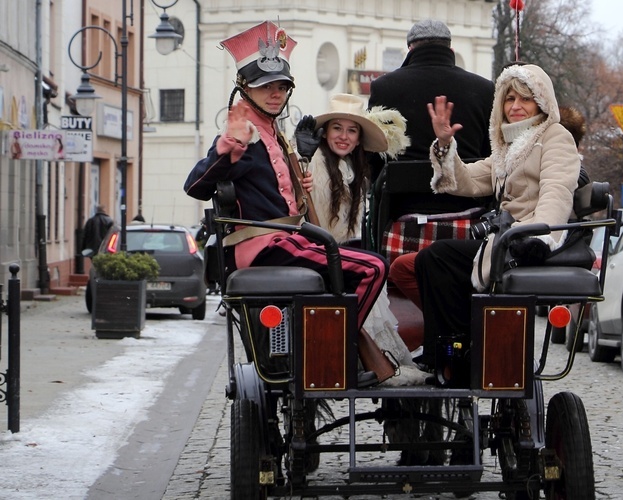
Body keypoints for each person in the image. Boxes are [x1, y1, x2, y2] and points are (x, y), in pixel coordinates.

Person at [183, 21, 389, 386]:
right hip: (266, 245)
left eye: (281, 86)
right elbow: (196, 186)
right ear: (244, 88)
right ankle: (333, 354)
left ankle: (327, 348)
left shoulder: (272, 132)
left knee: (356, 270)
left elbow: (273, 191)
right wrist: (228, 147)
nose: (275, 94)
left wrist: (299, 181)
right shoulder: (245, 134)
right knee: (372, 269)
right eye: (265, 86)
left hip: (287, 240)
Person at [414, 63, 582, 372]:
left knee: (438, 259)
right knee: (430, 260)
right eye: (509, 99)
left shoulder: (554, 136)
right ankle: (454, 349)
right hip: (507, 240)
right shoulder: (510, 146)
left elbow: (556, 192)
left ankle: (455, 354)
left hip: (527, 242)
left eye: (525, 99)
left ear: (541, 103)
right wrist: (444, 146)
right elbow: (467, 180)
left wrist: (539, 236)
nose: (516, 106)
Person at [299, 93, 427, 385]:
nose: (344, 136)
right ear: (325, 132)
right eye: (337, 128)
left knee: (373, 264)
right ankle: (371, 360)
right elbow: (306, 207)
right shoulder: (314, 163)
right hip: (318, 252)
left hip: (338, 250)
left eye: (352, 130)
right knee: (373, 266)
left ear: (358, 139)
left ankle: (382, 360)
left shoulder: (352, 170)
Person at [368, 19, 496, 310]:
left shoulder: (384, 88)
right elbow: (493, 158)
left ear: (411, 48)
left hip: (402, 223)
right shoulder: (485, 89)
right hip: (470, 225)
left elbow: (375, 160)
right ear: (450, 48)